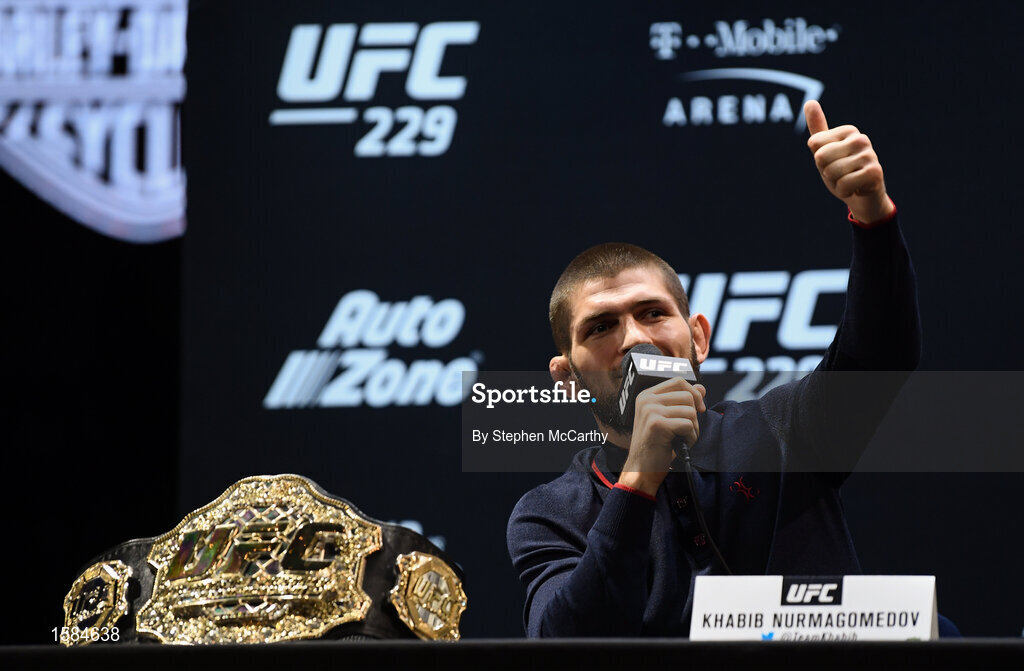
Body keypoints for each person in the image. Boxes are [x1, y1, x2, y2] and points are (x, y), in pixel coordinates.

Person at [506, 101, 957, 637]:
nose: (635, 339)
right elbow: (564, 644)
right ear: (568, 379)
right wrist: (640, 476)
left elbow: (880, 356)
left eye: (652, 313)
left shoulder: (785, 430)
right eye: (600, 327)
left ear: (698, 337)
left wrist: (872, 215)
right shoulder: (549, 513)